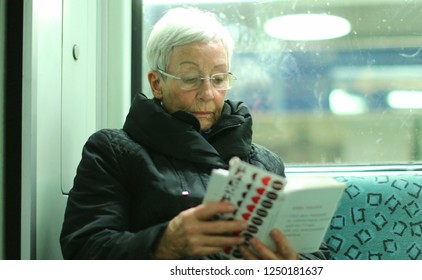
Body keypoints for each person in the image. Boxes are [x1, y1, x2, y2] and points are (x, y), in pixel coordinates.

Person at [60, 7, 330, 260]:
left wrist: (292, 263)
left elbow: (320, 256)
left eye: (219, 78)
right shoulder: (112, 151)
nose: (207, 93)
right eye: (190, 79)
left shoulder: (266, 163)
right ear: (157, 83)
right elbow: (83, 247)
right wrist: (162, 243)